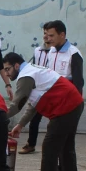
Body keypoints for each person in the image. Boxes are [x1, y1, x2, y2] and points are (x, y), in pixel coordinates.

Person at [3, 52, 84, 171]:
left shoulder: (25, 77)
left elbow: (17, 104)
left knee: (50, 148)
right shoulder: (32, 71)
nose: (7, 74)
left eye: (8, 69)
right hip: (74, 103)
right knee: (66, 147)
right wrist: (21, 125)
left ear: (16, 65)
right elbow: (33, 104)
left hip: (65, 108)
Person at [20, 25, 52, 154]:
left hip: (51, 88)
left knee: (53, 121)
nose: (46, 36)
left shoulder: (57, 52)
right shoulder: (38, 50)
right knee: (34, 118)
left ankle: (51, 146)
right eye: (44, 33)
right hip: (39, 88)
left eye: (49, 34)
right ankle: (31, 144)